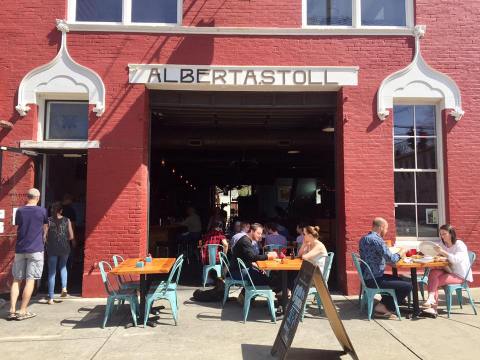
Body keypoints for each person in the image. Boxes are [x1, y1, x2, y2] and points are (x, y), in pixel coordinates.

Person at [8, 188, 48, 321]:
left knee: (16, 280)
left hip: (20, 249)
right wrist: (44, 238)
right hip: (36, 249)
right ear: (38, 197)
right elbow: (45, 227)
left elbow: (18, 224)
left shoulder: (19, 210)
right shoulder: (42, 211)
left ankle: (12, 310)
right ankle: (23, 310)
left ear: (27, 197)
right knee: (30, 280)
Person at [359, 217, 410, 319]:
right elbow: (392, 259)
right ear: (381, 227)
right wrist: (402, 251)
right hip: (375, 279)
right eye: (386, 229)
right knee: (408, 286)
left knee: (400, 280)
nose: (386, 231)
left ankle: (386, 304)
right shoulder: (378, 240)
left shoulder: (363, 239)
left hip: (367, 278)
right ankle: (383, 308)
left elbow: (375, 256)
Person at [423, 224, 473, 316]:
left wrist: (442, 252)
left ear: (451, 234)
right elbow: (436, 253)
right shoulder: (443, 244)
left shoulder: (459, 244)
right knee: (433, 273)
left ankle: (433, 307)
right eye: (441, 234)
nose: (442, 236)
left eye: (444, 234)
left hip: (460, 274)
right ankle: (431, 298)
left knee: (434, 281)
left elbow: (455, 260)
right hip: (448, 270)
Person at [232, 223, 278, 288]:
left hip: (241, 269)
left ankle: (244, 295)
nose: (260, 236)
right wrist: (268, 256)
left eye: (261, 234)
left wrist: (257, 267)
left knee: (265, 277)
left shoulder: (246, 240)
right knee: (269, 281)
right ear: (251, 231)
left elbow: (249, 258)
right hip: (238, 272)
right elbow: (252, 257)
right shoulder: (245, 241)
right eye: (258, 233)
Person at [46, 202, 75, 304]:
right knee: (63, 267)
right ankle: (64, 288)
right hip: (64, 247)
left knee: (52, 272)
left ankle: (51, 297)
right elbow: (71, 236)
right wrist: (64, 238)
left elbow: (44, 236)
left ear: (52, 210)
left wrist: (48, 242)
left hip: (52, 248)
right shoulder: (67, 220)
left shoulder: (48, 220)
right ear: (61, 210)